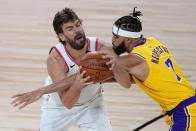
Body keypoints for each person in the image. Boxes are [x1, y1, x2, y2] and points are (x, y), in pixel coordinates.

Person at [11, 7, 130, 131]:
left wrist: (117, 67)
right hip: (58, 107)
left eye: (78, 25)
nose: (77, 30)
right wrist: (78, 85)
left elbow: (126, 83)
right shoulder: (56, 59)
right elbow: (67, 103)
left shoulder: (100, 48)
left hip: (92, 103)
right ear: (62, 36)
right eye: (70, 28)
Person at [104, 7, 196, 131]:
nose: (112, 40)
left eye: (116, 37)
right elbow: (140, 76)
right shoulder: (153, 42)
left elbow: (125, 82)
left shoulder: (135, 59)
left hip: (185, 113)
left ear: (128, 40)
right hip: (188, 104)